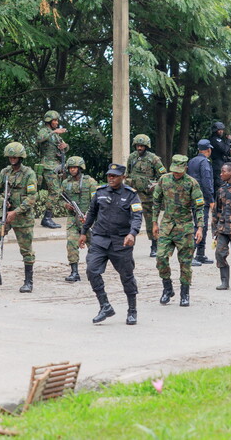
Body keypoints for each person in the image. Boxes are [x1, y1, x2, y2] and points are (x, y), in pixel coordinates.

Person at [79, 163, 142, 325]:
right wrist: (83, 233)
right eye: (109, 175)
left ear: (123, 177)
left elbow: (137, 216)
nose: (111, 178)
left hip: (121, 241)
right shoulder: (100, 193)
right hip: (100, 239)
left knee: (127, 276)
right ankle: (105, 305)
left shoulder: (131, 195)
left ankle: (132, 310)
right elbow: (91, 213)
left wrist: (132, 233)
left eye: (114, 176)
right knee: (92, 270)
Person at [0, 142, 38, 293]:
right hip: (5, 214)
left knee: (26, 250)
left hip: (23, 217)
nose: (12, 159)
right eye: (10, 156)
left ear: (21, 157)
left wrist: (16, 211)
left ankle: (28, 282)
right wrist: (2, 201)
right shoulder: (5, 172)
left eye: (15, 156)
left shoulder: (29, 174)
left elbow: (32, 197)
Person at [152, 155, 205, 307]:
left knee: (185, 263)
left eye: (179, 171)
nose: (176, 174)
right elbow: (156, 201)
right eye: (174, 171)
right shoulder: (164, 180)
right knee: (161, 257)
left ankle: (185, 293)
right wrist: (154, 222)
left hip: (185, 227)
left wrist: (200, 227)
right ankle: (167, 288)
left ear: (185, 169)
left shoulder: (191, 183)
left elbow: (199, 207)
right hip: (167, 226)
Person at [125, 134, 166, 258]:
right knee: (131, 221)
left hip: (148, 196)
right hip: (134, 195)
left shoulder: (154, 159)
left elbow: (163, 176)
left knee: (150, 221)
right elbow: (128, 173)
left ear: (146, 146)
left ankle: (154, 245)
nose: (139, 148)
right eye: (138, 145)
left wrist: (154, 185)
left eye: (142, 146)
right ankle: (128, 245)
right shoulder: (132, 158)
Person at [61, 156, 98, 282]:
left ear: (80, 168)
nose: (72, 170)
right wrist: (65, 205)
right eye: (71, 168)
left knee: (93, 245)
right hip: (72, 218)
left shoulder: (90, 182)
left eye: (75, 167)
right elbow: (60, 199)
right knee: (71, 243)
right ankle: (74, 272)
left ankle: (94, 270)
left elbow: (96, 200)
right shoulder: (65, 183)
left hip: (88, 218)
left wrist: (89, 215)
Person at [35, 110, 68, 229]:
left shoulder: (56, 135)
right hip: (47, 166)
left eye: (57, 120)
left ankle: (47, 218)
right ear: (49, 121)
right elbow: (40, 138)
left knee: (55, 191)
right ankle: (47, 218)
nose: (57, 122)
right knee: (55, 191)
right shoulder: (44, 131)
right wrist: (54, 132)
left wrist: (65, 146)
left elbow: (64, 147)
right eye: (55, 120)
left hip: (55, 166)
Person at [187, 139, 215, 266]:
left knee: (200, 224)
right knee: (200, 225)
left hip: (192, 197)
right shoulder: (204, 162)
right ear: (208, 150)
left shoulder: (192, 161)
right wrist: (211, 200)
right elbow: (206, 181)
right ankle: (192, 255)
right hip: (202, 198)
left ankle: (200, 254)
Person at [209, 121, 231, 191]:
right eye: (219, 130)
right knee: (219, 183)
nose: (221, 131)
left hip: (222, 161)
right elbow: (225, 150)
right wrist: (228, 141)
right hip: (218, 163)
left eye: (222, 130)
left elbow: (227, 151)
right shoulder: (215, 139)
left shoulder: (220, 139)